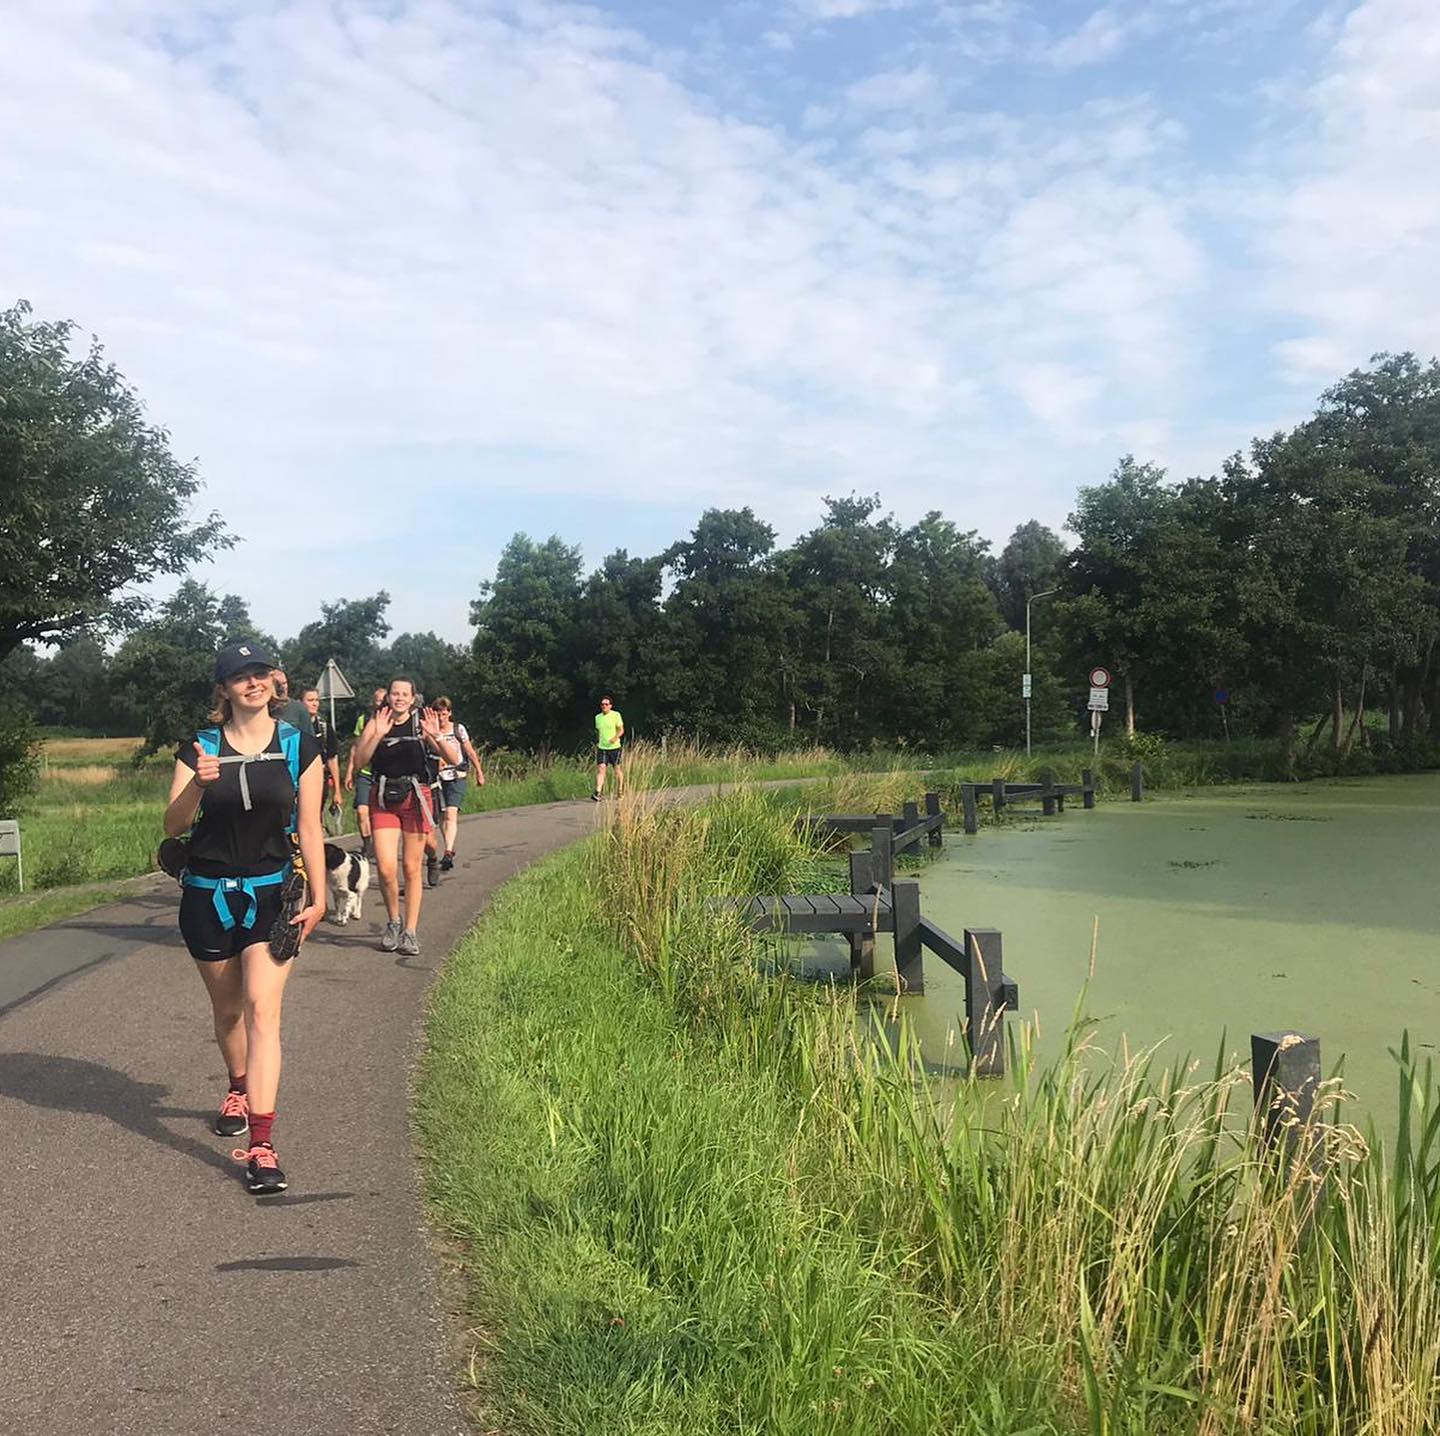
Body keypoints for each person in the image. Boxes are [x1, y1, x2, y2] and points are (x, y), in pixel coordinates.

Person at [162, 641, 326, 1195]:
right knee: (228, 1012)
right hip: (207, 893)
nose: (252, 683)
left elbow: (309, 828)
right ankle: (236, 1084)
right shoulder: (199, 748)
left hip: (273, 893)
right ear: (223, 688)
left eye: (260, 673)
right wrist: (199, 786)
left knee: (263, 1010)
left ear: (273, 682)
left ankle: (261, 1144)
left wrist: (320, 895)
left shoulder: (299, 745)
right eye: (240, 676)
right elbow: (171, 826)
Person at [350, 677, 458, 955]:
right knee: (386, 869)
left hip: (415, 796)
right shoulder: (378, 719)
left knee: (411, 868)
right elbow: (360, 761)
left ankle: (410, 931)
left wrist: (434, 735)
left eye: (404, 694)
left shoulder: (423, 721)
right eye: (394, 693)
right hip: (383, 796)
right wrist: (376, 735)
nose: (398, 698)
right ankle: (393, 922)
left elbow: (454, 758)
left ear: (412, 698)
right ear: (388, 697)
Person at [431, 697, 485, 871]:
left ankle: (447, 852)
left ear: (450, 713)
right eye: (438, 714)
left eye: (444, 714)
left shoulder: (458, 729)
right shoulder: (429, 731)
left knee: (451, 814)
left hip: (457, 776)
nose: (441, 718)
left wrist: (479, 772)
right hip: (437, 779)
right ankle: (450, 844)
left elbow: (469, 750)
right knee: (441, 816)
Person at [345, 687, 387, 858]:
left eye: (383, 700)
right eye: (377, 700)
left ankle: (381, 843)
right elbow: (355, 747)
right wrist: (349, 771)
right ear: (372, 702)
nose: (380, 703)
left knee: (379, 814)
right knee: (362, 811)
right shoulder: (363, 720)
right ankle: (367, 844)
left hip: (383, 775)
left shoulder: (393, 720)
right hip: (364, 772)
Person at [300, 686, 343, 829]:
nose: (315, 704)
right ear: (300, 703)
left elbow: (332, 758)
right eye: (310, 700)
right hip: (297, 780)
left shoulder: (325, 728)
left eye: (317, 700)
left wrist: (337, 791)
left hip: (320, 779)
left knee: (315, 817)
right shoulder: (293, 727)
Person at [592, 694, 624, 800]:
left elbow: (621, 730)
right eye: (602, 704)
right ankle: (598, 792)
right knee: (601, 768)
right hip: (602, 747)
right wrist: (599, 741)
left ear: (610, 706)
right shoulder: (598, 717)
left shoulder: (616, 715)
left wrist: (615, 738)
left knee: (617, 769)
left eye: (606, 704)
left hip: (614, 747)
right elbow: (599, 731)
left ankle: (620, 791)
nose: (604, 706)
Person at [271, 668, 312, 733]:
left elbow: (309, 739)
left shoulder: (299, 709)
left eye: (284, 683)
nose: (282, 687)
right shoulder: (262, 709)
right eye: (277, 684)